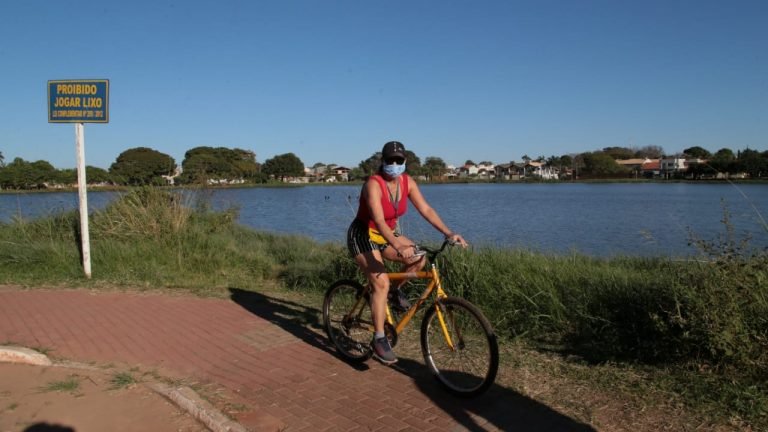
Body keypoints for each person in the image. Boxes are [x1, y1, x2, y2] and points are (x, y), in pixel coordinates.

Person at [347, 141, 467, 365]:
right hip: (363, 234)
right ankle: (379, 338)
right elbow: (378, 220)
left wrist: (449, 233)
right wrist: (398, 245)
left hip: (387, 234)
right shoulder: (373, 184)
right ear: (383, 161)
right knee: (380, 283)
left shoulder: (407, 182)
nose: (394, 164)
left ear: (404, 162)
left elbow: (426, 209)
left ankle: (393, 292)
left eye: (399, 160)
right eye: (390, 160)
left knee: (419, 258)